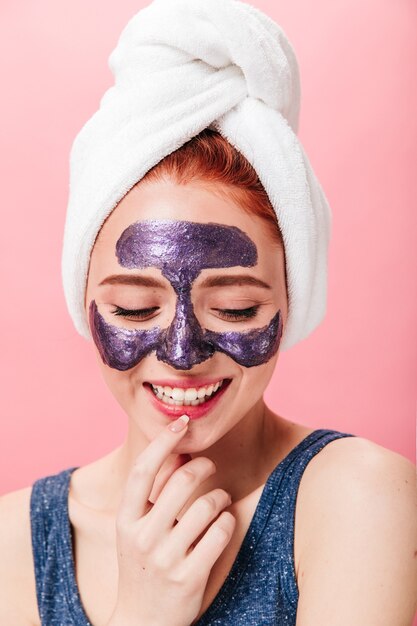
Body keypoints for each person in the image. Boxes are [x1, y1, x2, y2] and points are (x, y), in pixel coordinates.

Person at [1, 2, 416, 626]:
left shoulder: (360, 497)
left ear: (291, 296)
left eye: (235, 307)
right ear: (85, 301)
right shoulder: (11, 543)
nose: (181, 353)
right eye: (134, 308)